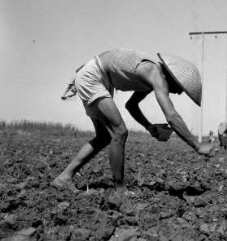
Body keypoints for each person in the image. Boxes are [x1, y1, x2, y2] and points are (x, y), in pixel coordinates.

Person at [53, 48, 214, 194]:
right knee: (119, 132)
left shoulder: (150, 79)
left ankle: (64, 178)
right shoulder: (154, 73)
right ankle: (120, 189)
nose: (179, 93)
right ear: (174, 78)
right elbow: (171, 115)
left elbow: (131, 105)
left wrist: (150, 127)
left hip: (96, 76)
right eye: (181, 88)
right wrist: (197, 145)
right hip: (94, 76)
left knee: (105, 137)